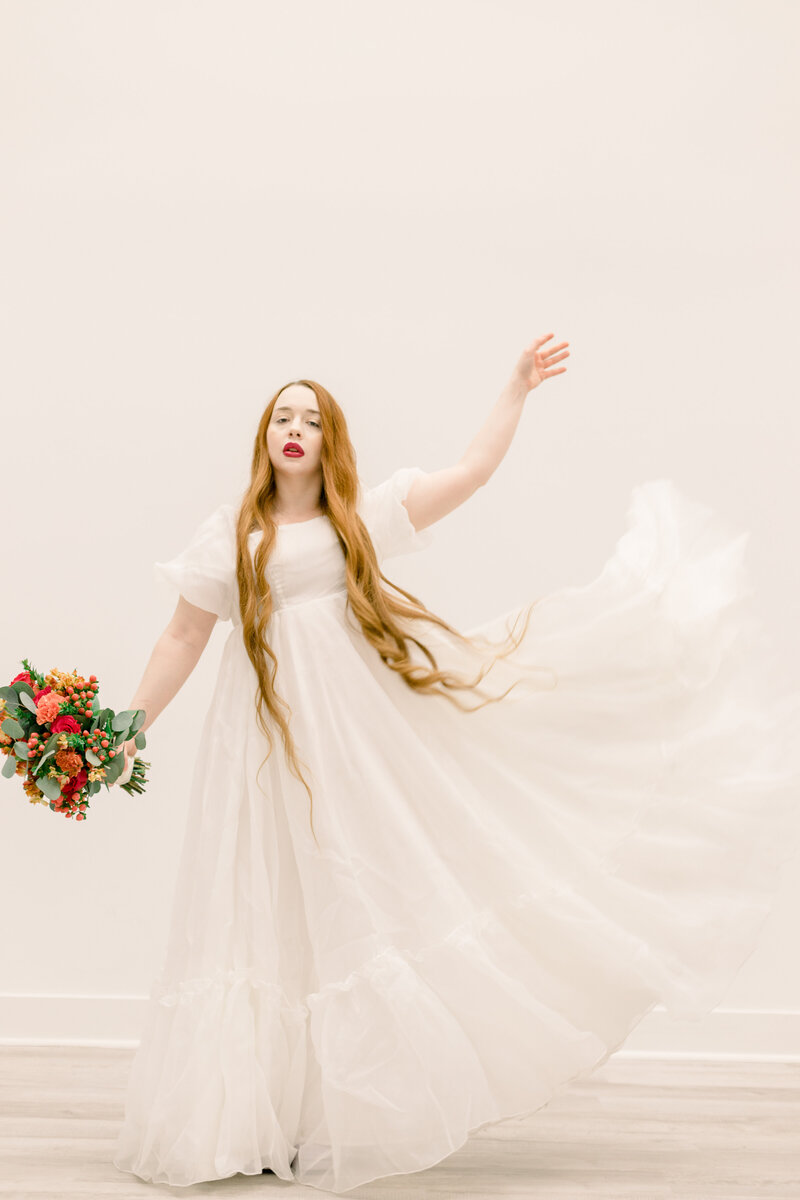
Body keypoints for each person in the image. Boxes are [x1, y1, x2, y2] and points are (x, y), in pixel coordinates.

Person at [112, 334, 800, 1194]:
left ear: (330, 441)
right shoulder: (233, 534)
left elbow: (470, 473)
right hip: (256, 747)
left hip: (351, 741)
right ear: (264, 438)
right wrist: (127, 727)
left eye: (311, 419)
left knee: (350, 892)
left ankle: (332, 1111)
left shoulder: (353, 520)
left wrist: (514, 386)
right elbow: (183, 632)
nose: (295, 429)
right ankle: (256, 1118)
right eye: (282, 417)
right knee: (260, 899)